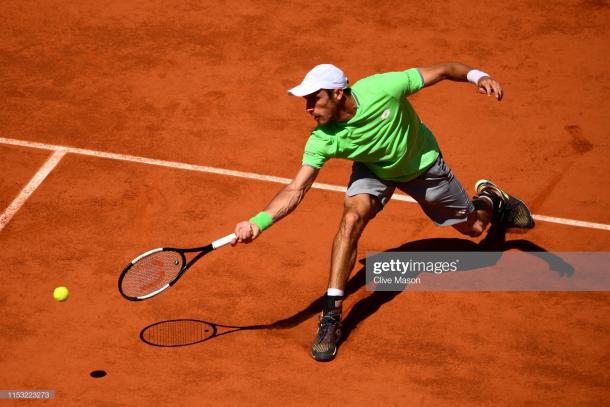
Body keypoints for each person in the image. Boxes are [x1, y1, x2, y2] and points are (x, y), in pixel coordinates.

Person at [231, 62, 535, 361]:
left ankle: (491, 198)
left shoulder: (382, 88)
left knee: (474, 229)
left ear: (338, 94)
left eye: (314, 99)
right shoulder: (322, 138)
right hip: (374, 168)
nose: (308, 108)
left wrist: (478, 77)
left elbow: (443, 70)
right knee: (351, 218)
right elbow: (296, 189)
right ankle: (332, 313)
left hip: (421, 164)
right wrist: (258, 222)